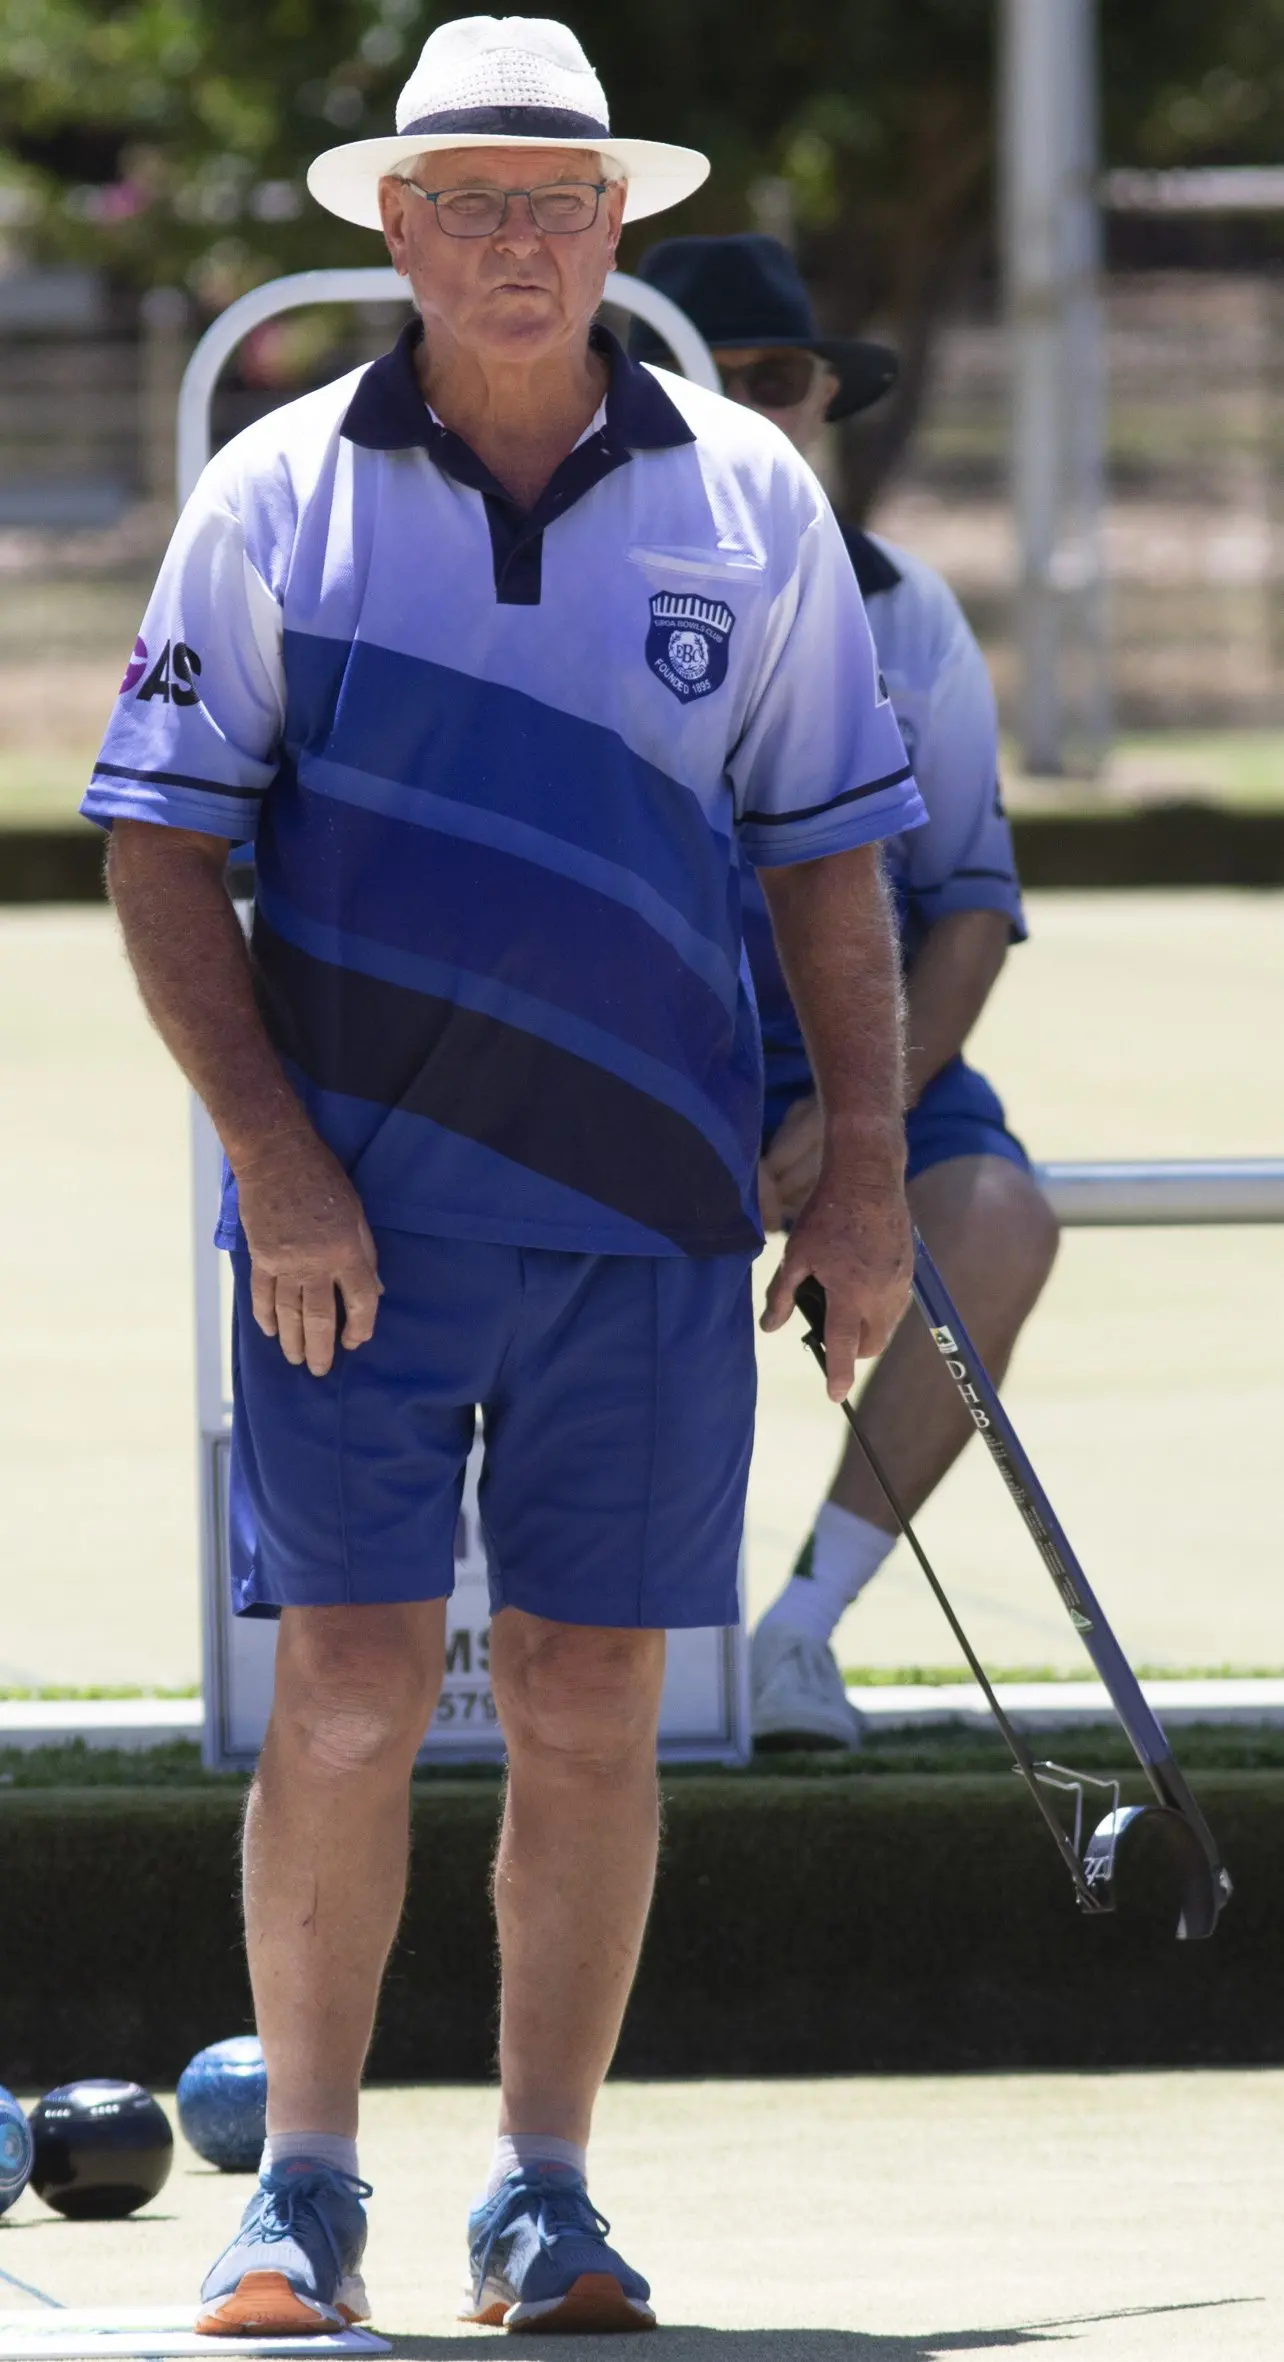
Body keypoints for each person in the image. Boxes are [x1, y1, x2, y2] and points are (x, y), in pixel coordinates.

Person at [84, 25, 926, 2337]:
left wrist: (864, 1177)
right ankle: (313, 2190)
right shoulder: (273, 492)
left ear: (618, 226)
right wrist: (278, 1165)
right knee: (349, 1692)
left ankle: (544, 2191)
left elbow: (836, 863)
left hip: (651, 1222)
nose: (520, 241)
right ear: (394, 224)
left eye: (559, 201)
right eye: (472, 199)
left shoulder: (750, 497)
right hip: (355, 1227)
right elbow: (159, 849)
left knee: (588, 1702)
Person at [633, 236, 1060, 1751]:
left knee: (1000, 1218)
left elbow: (968, 904)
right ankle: (604, 1656)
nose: (751, 406)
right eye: (710, 378)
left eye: (779, 379)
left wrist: (854, 1107)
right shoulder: (576, 581)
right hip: (630, 1051)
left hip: (860, 1047)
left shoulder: (908, 608)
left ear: (824, 398)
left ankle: (798, 1633)